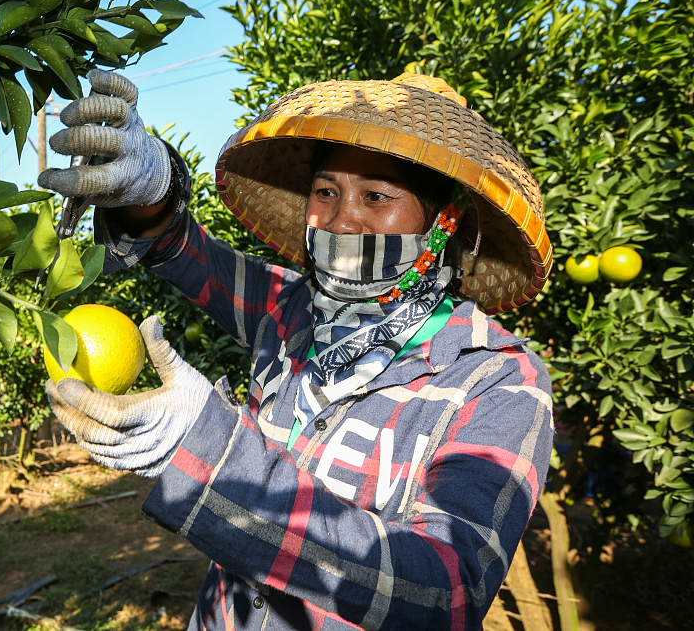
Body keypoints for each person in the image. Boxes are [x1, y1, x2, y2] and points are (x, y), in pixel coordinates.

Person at [38, 71, 554, 631]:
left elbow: (446, 590)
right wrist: (150, 186)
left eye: (377, 197)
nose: (340, 220)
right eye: (326, 191)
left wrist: (209, 455)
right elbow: (181, 250)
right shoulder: (289, 309)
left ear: (442, 222)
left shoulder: (496, 380)